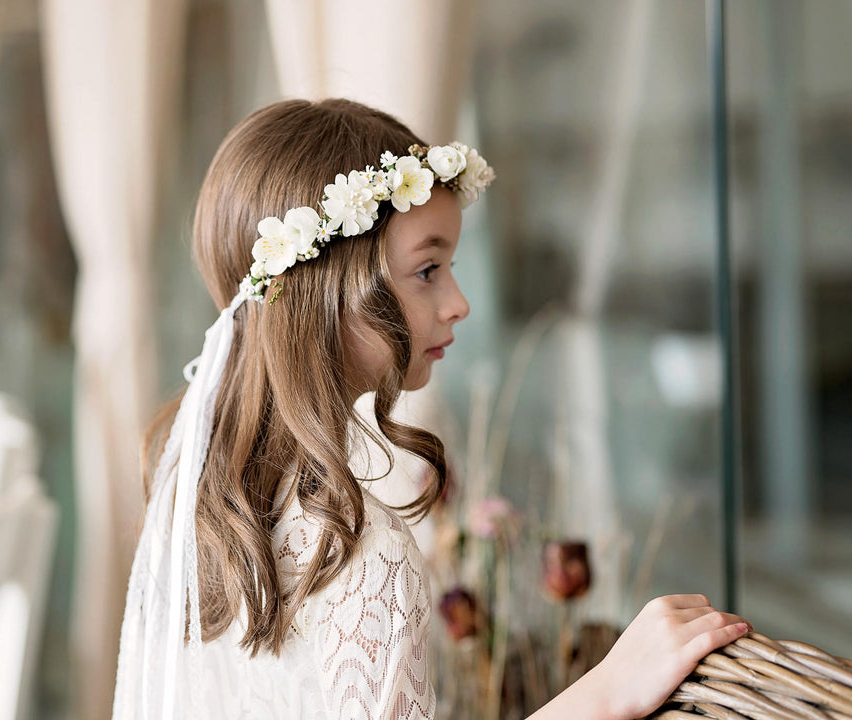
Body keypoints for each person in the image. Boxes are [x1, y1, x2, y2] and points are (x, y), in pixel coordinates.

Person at [111, 98, 751, 720]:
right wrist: (607, 692)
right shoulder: (359, 556)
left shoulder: (200, 495)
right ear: (326, 288)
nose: (459, 302)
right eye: (428, 270)